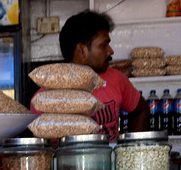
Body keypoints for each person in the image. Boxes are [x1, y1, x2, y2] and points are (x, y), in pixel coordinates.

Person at [59, 10, 150, 139]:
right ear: (81, 51)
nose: (110, 51)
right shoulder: (47, 94)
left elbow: (141, 110)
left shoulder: (116, 79)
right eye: (103, 45)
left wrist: (133, 149)